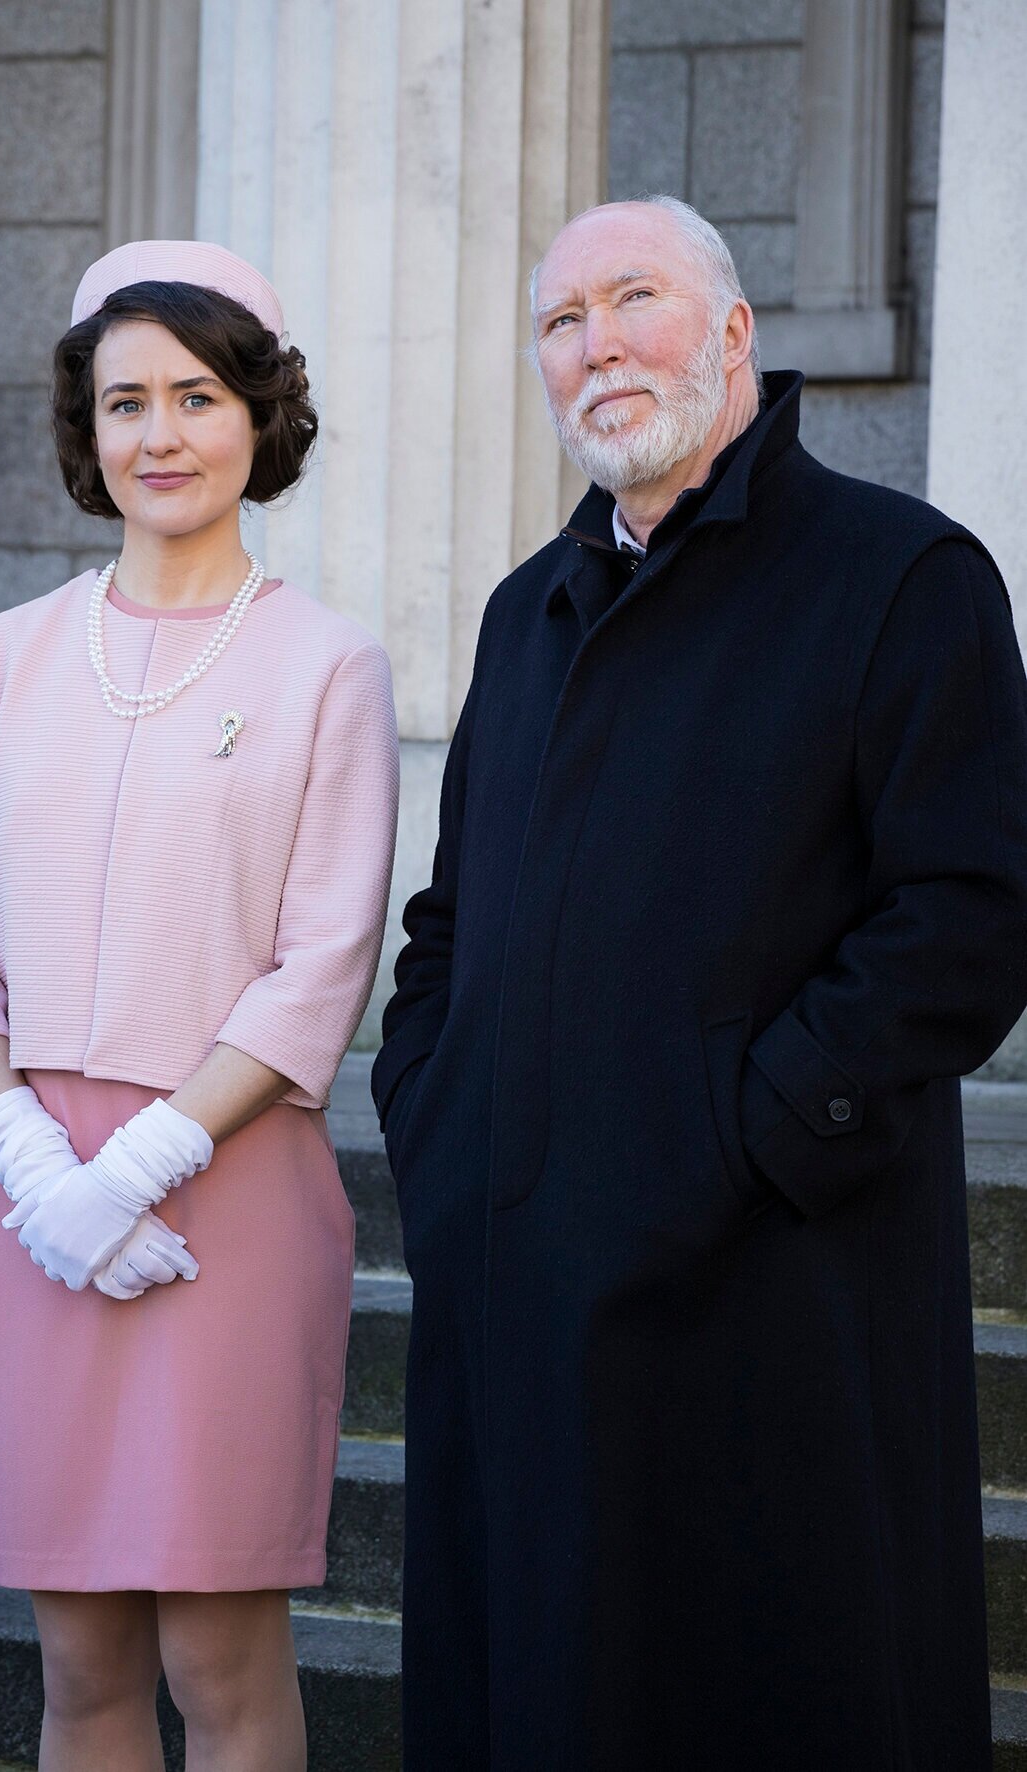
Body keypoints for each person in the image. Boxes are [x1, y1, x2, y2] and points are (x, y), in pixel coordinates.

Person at [372, 195, 1027, 1770]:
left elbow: (969, 910)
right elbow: (453, 912)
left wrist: (750, 1133)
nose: (594, 346)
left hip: (771, 1297)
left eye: (633, 301)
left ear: (732, 335)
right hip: (524, 1294)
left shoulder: (899, 574)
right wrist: (432, 1108)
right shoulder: (524, 609)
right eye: (558, 320)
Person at [0, 239, 398, 1771]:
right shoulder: (8, 655)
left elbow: (322, 958)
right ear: (86, 428)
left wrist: (145, 1161)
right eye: (126, 402)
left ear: (258, 414)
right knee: (79, 1664)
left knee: (219, 1656)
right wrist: (38, 1164)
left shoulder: (328, 666)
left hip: (225, 1191)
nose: (161, 435)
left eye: (196, 395)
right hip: (27, 1190)